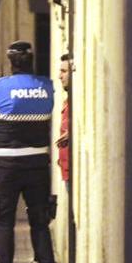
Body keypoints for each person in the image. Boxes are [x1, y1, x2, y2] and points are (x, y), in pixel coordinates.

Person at [0, 41, 56, 263]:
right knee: (40, 221)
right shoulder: (46, 87)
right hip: (37, 166)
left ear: (11, 62)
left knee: (2, 220)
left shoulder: (1, 86)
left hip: (7, 167)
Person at [56, 54, 71, 187]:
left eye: (64, 71)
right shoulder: (67, 101)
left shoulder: (74, 103)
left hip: (71, 172)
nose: (60, 76)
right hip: (66, 171)